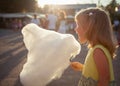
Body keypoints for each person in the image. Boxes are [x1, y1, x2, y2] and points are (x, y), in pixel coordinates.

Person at [71, 7, 116, 86]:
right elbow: (96, 72)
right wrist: (82, 67)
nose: (75, 29)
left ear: (89, 28)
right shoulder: (95, 48)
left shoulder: (98, 51)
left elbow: (104, 80)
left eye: (78, 25)